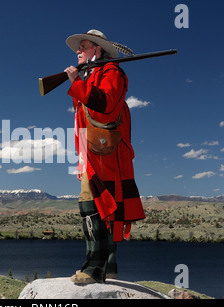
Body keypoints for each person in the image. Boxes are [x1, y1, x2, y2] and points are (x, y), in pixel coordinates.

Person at [64, 29, 146, 284]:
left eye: (84, 46)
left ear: (98, 50)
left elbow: (104, 106)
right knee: (105, 209)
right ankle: (108, 266)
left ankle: (93, 268)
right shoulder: (94, 75)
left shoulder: (111, 72)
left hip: (108, 156)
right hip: (95, 153)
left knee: (90, 205)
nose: (78, 50)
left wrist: (76, 83)